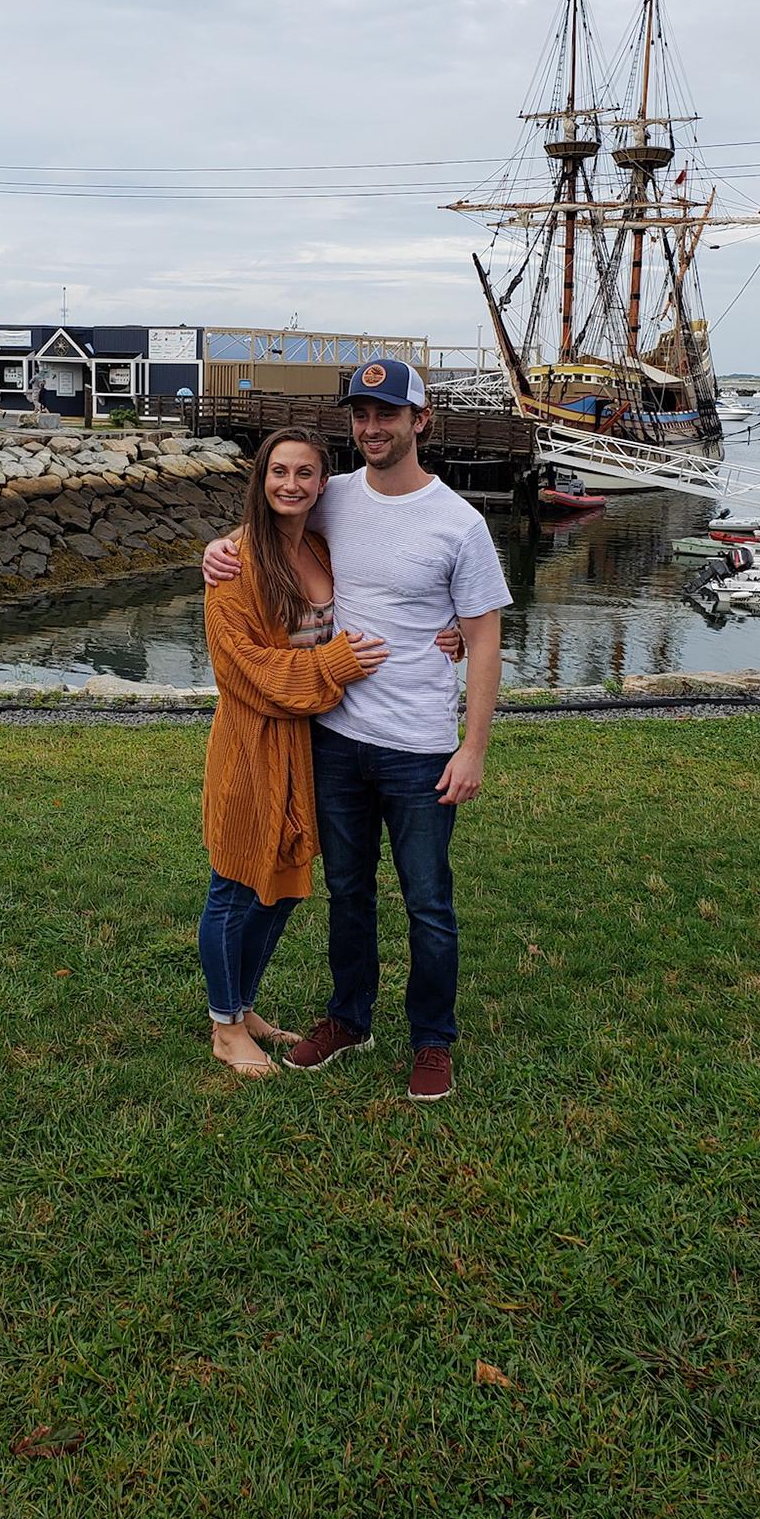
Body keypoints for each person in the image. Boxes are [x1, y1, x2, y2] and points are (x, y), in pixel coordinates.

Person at [204, 358, 511, 1102]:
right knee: (347, 892)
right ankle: (348, 1019)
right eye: (362, 414)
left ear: (420, 420)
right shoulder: (333, 496)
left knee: (428, 902)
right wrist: (213, 549)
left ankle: (431, 1040)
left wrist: (473, 747)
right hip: (334, 738)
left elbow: (485, 636)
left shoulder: (460, 524)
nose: (372, 427)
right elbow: (268, 524)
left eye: (388, 414)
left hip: (419, 746)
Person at [200, 430, 388, 1078]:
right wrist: (333, 664)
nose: (290, 484)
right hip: (253, 743)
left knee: (282, 886)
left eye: (304, 473)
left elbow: (386, 597)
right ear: (261, 478)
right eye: (278, 471)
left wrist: (451, 630)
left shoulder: (319, 546)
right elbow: (242, 669)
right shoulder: (236, 562)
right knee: (234, 884)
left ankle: (243, 1006)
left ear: (322, 483)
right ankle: (225, 1028)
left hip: (312, 743)